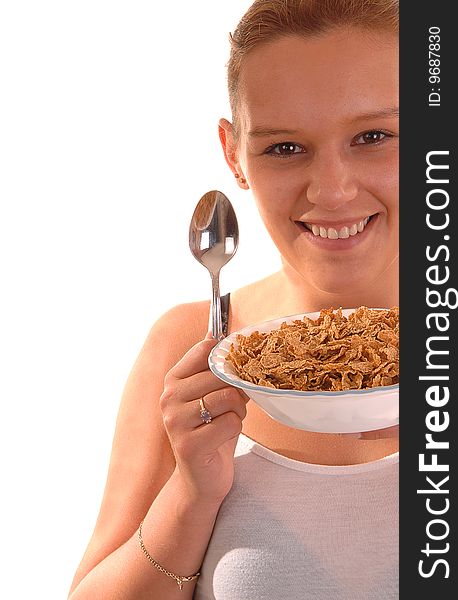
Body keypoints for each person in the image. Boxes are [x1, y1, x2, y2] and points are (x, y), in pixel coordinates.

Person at [68, 0, 399, 598]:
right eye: (285, 148)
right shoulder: (193, 346)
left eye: (373, 136)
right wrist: (192, 494)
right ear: (233, 155)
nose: (332, 190)